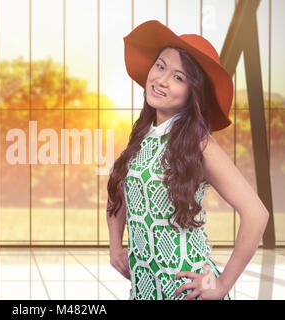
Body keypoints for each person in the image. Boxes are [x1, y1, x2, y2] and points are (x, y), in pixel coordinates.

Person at [106, 20, 269, 300]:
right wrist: (114, 245)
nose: (162, 80)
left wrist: (222, 285)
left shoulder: (200, 144)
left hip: (187, 290)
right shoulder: (143, 135)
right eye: (160, 66)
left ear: (193, 93)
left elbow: (257, 214)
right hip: (145, 289)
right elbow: (118, 189)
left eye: (179, 77)